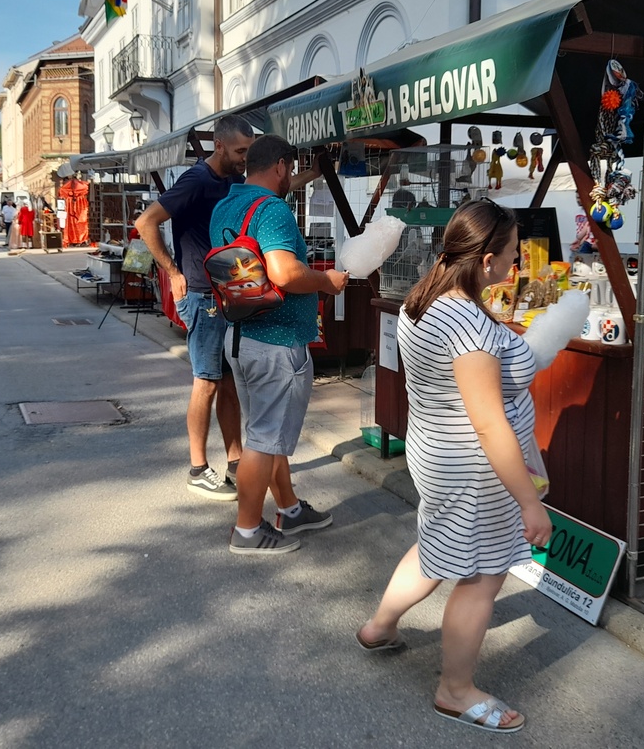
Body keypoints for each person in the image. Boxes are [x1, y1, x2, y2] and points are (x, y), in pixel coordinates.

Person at [355, 198, 552, 734]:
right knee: (482, 576)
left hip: (436, 453)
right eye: (512, 252)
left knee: (435, 547)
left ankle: (379, 626)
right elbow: (489, 424)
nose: (516, 261)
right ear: (487, 260)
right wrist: (529, 502)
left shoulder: (425, 299)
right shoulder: (469, 325)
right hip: (474, 468)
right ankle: (455, 690)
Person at [208, 134, 348, 554]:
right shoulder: (273, 209)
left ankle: (289, 509)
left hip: (240, 335)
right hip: (277, 344)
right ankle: (247, 530)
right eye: (291, 169)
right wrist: (326, 281)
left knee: (264, 434)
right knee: (265, 440)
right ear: (282, 166)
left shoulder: (226, 204)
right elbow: (285, 273)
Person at [135, 114, 253, 500]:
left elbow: (266, 188)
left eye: (249, 151)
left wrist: (312, 174)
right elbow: (146, 222)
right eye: (240, 151)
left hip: (223, 295)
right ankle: (198, 469)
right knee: (207, 382)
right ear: (219, 146)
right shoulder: (197, 180)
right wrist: (172, 272)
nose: (245, 158)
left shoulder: (231, 179)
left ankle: (235, 462)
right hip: (202, 297)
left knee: (228, 382)